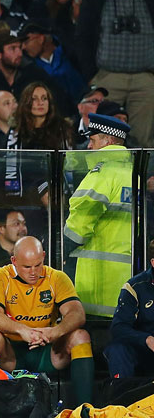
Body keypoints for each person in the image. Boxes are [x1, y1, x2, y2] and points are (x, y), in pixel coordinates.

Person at [0, 236, 94, 407]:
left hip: (47, 350)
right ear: (14, 261)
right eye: (26, 267)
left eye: (38, 265)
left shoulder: (56, 278)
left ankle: (86, 411)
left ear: (44, 257)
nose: (33, 272)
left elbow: (77, 313)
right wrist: (22, 330)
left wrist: (55, 332)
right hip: (11, 354)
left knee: (81, 336)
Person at [76, 0, 154, 148]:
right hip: (108, 77)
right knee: (103, 137)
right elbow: (83, 36)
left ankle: (142, 178)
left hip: (144, 78)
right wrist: (92, 76)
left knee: (144, 141)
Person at [63, 114, 133, 318]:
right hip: (124, 280)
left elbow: (82, 216)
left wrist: (60, 247)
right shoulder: (132, 172)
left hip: (96, 283)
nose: (89, 147)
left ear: (108, 141)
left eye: (92, 140)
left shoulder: (104, 172)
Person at [105, 238, 154, 378]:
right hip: (143, 349)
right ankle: (122, 398)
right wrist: (147, 339)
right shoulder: (135, 287)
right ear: (153, 262)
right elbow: (118, 328)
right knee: (117, 349)